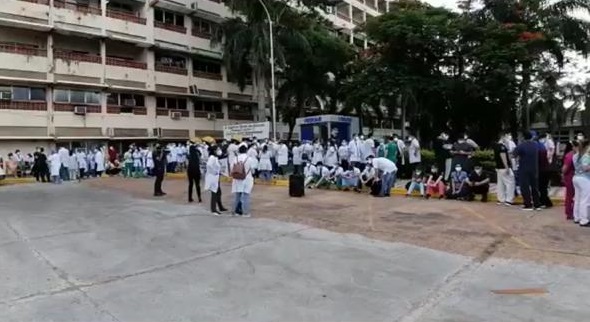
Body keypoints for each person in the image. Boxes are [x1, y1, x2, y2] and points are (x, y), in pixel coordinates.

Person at [514, 130, 541, 211]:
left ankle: (528, 204)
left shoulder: (521, 146)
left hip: (524, 169)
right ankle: (537, 204)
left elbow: (514, 154)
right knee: (535, 187)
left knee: (525, 187)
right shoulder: (536, 145)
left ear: (523, 137)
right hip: (534, 168)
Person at [231, 145, 256, 217]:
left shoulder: (235, 158)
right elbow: (253, 169)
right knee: (246, 196)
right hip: (247, 178)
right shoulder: (249, 159)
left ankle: (235, 211)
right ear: (246, 150)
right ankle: (245, 212)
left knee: (237, 196)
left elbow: (232, 168)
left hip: (237, 178)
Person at [205, 145, 227, 215]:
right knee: (214, 193)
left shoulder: (215, 157)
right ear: (214, 151)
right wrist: (214, 171)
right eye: (218, 149)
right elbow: (209, 165)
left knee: (218, 192)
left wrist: (219, 172)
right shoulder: (212, 157)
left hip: (216, 177)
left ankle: (220, 206)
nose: (219, 151)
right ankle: (213, 209)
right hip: (212, 178)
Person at [573, 139, 590, 226]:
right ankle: (584, 220)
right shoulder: (586, 156)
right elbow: (585, 168)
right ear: (587, 146)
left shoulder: (576, 155)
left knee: (578, 199)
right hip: (585, 179)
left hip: (576, 177)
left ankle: (577, 217)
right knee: (585, 200)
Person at [494, 133, 515, 205]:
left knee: (500, 184)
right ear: (502, 137)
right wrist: (507, 167)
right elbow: (503, 157)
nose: (507, 137)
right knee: (510, 183)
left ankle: (501, 199)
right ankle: (509, 200)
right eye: (506, 136)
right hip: (504, 167)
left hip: (498, 167)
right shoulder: (502, 147)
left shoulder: (496, 146)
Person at [537, 134, 553, 208]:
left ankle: (544, 202)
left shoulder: (539, 149)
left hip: (542, 171)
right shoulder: (542, 148)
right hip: (546, 170)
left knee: (542, 187)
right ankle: (547, 202)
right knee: (543, 187)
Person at [562, 141, 577, 220]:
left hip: (571, 176)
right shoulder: (571, 155)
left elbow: (564, 169)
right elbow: (565, 168)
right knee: (570, 195)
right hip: (570, 176)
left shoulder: (570, 155)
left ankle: (571, 212)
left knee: (571, 195)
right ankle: (569, 212)